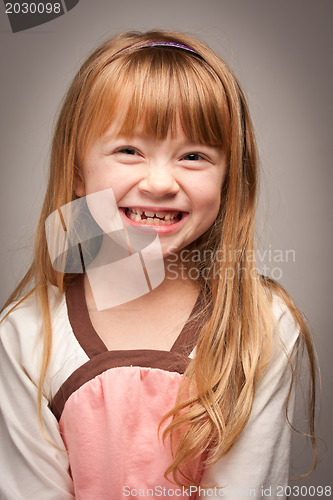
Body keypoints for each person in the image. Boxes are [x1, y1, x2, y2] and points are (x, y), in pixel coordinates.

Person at [0, 30, 317, 499]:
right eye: (129, 150)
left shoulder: (264, 326)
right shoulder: (25, 334)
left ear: (229, 178)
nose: (161, 181)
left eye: (194, 156)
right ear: (75, 170)